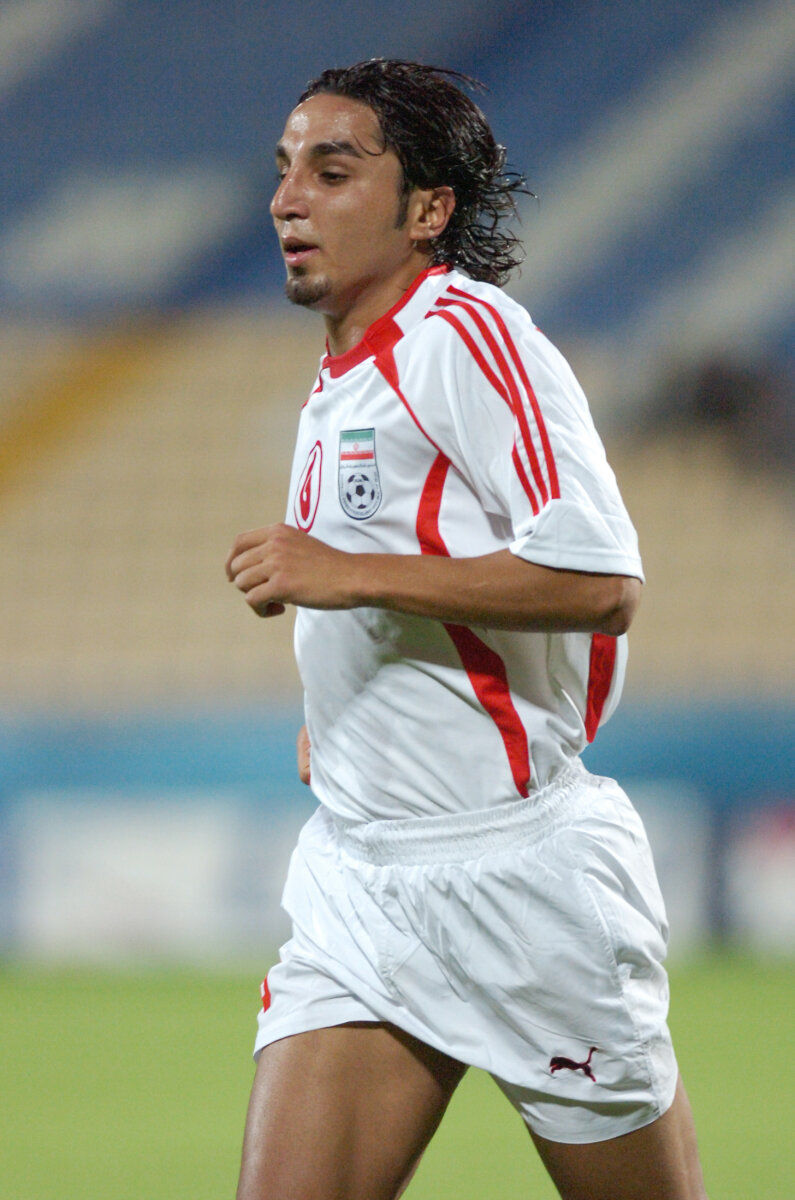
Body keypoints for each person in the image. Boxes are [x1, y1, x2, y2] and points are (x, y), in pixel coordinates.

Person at [226, 59, 707, 1200]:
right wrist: (347, 714)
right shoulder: (343, 372)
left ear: (427, 209)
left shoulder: (467, 336)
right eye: (284, 170)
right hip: (360, 873)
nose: (288, 198)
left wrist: (345, 575)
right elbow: (413, 573)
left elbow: (599, 577)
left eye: (332, 171)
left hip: (517, 879)